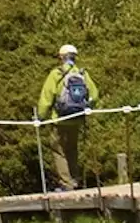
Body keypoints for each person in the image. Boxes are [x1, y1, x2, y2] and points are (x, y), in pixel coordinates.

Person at [37, 44, 99, 191]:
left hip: (59, 120)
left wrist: (41, 117)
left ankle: (66, 183)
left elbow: (46, 98)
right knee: (72, 149)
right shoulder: (83, 74)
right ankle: (75, 179)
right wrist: (87, 108)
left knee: (59, 151)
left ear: (61, 57)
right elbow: (94, 95)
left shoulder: (56, 74)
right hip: (76, 119)